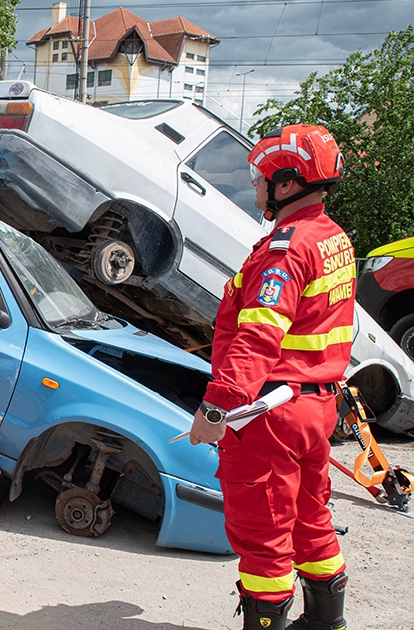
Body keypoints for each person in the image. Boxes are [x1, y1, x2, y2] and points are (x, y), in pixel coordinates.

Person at [186, 124, 352, 630]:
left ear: (287, 183)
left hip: (269, 413)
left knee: (264, 536)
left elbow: (258, 336)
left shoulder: (285, 250)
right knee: (310, 519)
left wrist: (216, 407)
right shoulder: (332, 238)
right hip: (316, 405)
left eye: (262, 178)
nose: (255, 186)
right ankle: (327, 623)